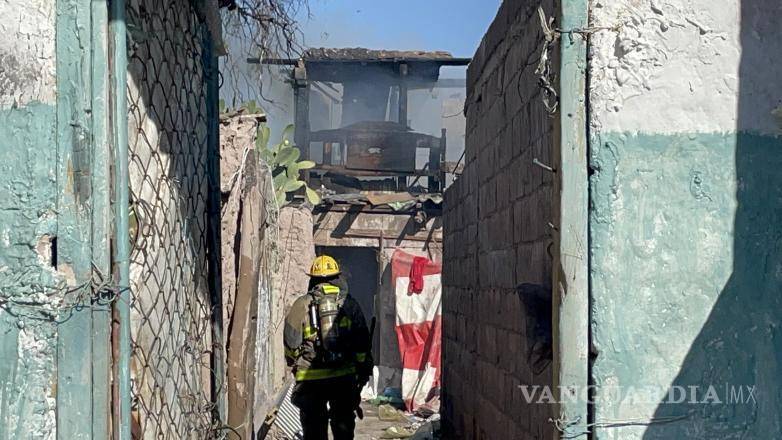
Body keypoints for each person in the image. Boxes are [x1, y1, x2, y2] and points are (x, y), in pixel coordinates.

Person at [284, 255, 373, 440]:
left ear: (313, 279)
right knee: (343, 427)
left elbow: (291, 343)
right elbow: (362, 342)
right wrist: (361, 368)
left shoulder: (301, 304)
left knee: (314, 429)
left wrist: (294, 360)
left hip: (311, 379)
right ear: (337, 277)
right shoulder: (350, 303)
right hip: (343, 376)